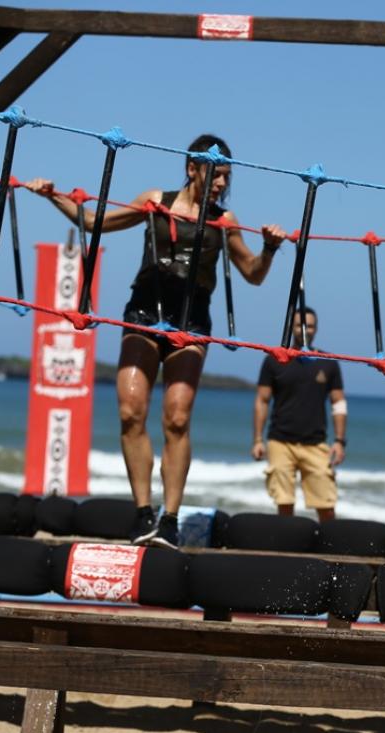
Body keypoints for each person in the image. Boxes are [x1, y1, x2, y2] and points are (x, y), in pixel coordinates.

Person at [25, 134, 286, 549]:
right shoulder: (155, 201)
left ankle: (170, 519)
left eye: (227, 177)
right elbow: (93, 222)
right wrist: (52, 195)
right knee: (130, 410)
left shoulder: (225, 219)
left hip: (191, 323)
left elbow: (253, 273)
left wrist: (269, 249)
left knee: (177, 418)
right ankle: (143, 511)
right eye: (216, 175)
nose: (222, 183)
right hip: (145, 314)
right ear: (192, 169)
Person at [252, 307, 347, 522]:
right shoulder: (274, 360)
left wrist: (340, 441)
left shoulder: (328, 362)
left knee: (326, 505)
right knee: (284, 503)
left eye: (310, 326)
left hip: (315, 443)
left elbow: (339, 403)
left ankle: (328, 540)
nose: (305, 330)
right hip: (280, 442)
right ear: (291, 327)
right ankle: (288, 540)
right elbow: (262, 400)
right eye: (299, 325)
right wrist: (257, 440)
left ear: (316, 329)